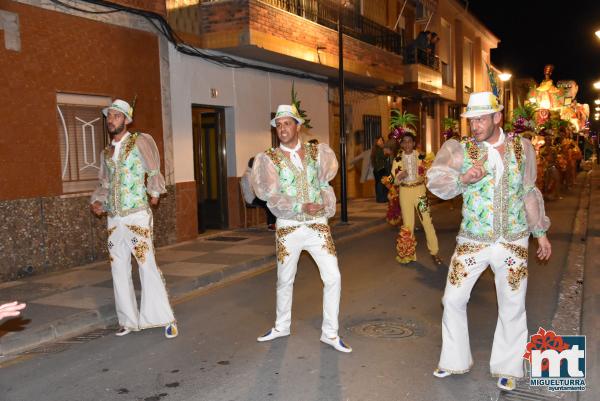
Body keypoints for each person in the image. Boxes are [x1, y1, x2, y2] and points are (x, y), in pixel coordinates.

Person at [426, 92, 552, 391]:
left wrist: (540, 233)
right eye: (471, 120)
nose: (475, 125)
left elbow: (528, 193)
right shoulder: (460, 149)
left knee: (512, 304)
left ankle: (508, 367)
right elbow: (435, 179)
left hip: (513, 240)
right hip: (473, 239)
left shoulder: (522, 149)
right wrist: (463, 179)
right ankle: (454, 360)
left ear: (498, 117)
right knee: (452, 299)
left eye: (481, 118)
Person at [251, 104, 351, 353]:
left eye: (287, 123)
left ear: (298, 126)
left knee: (333, 277)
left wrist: (324, 206)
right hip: (289, 227)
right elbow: (270, 197)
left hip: (317, 227)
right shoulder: (268, 159)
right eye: (279, 125)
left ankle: (330, 332)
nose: (282, 128)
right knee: (285, 279)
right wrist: (300, 206)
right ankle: (281, 326)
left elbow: (325, 186)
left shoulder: (318, 152)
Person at [90, 99, 178, 339]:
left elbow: (153, 170)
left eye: (116, 116)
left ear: (126, 120)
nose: (111, 120)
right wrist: (99, 202)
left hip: (137, 214)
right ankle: (128, 320)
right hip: (114, 217)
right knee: (118, 267)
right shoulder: (106, 152)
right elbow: (105, 183)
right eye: (109, 116)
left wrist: (155, 192)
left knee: (145, 264)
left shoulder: (139, 141)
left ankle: (164, 318)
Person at [388, 132, 441, 265]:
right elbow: (392, 180)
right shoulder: (397, 160)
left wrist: (427, 171)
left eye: (409, 141)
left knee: (427, 221)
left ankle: (434, 252)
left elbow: (431, 172)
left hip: (420, 192)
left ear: (414, 143)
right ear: (401, 144)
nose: (407, 144)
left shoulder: (422, 157)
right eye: (404, 141)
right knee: (408, 225)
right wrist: (399, 176)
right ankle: (408, 254)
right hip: (405, 193)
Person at [241, 157, 277, 230]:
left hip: (256, 196)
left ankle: (275, 223)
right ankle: (271, 224)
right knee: (269, 203)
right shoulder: (247, 175)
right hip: (251, 198)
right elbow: (252, 190)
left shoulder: (253, 173)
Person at [371, 136, 388, 203]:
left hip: (376, 169)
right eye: (380, 140)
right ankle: (381, 198)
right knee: (381, 184)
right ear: (376, 142)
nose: (381, 142)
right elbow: (384, 156)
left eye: (382, 140)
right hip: (381, 168)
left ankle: (379, 198)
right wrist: (387, 153)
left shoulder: (375, 149)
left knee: (378, 184)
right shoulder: (379, 149)